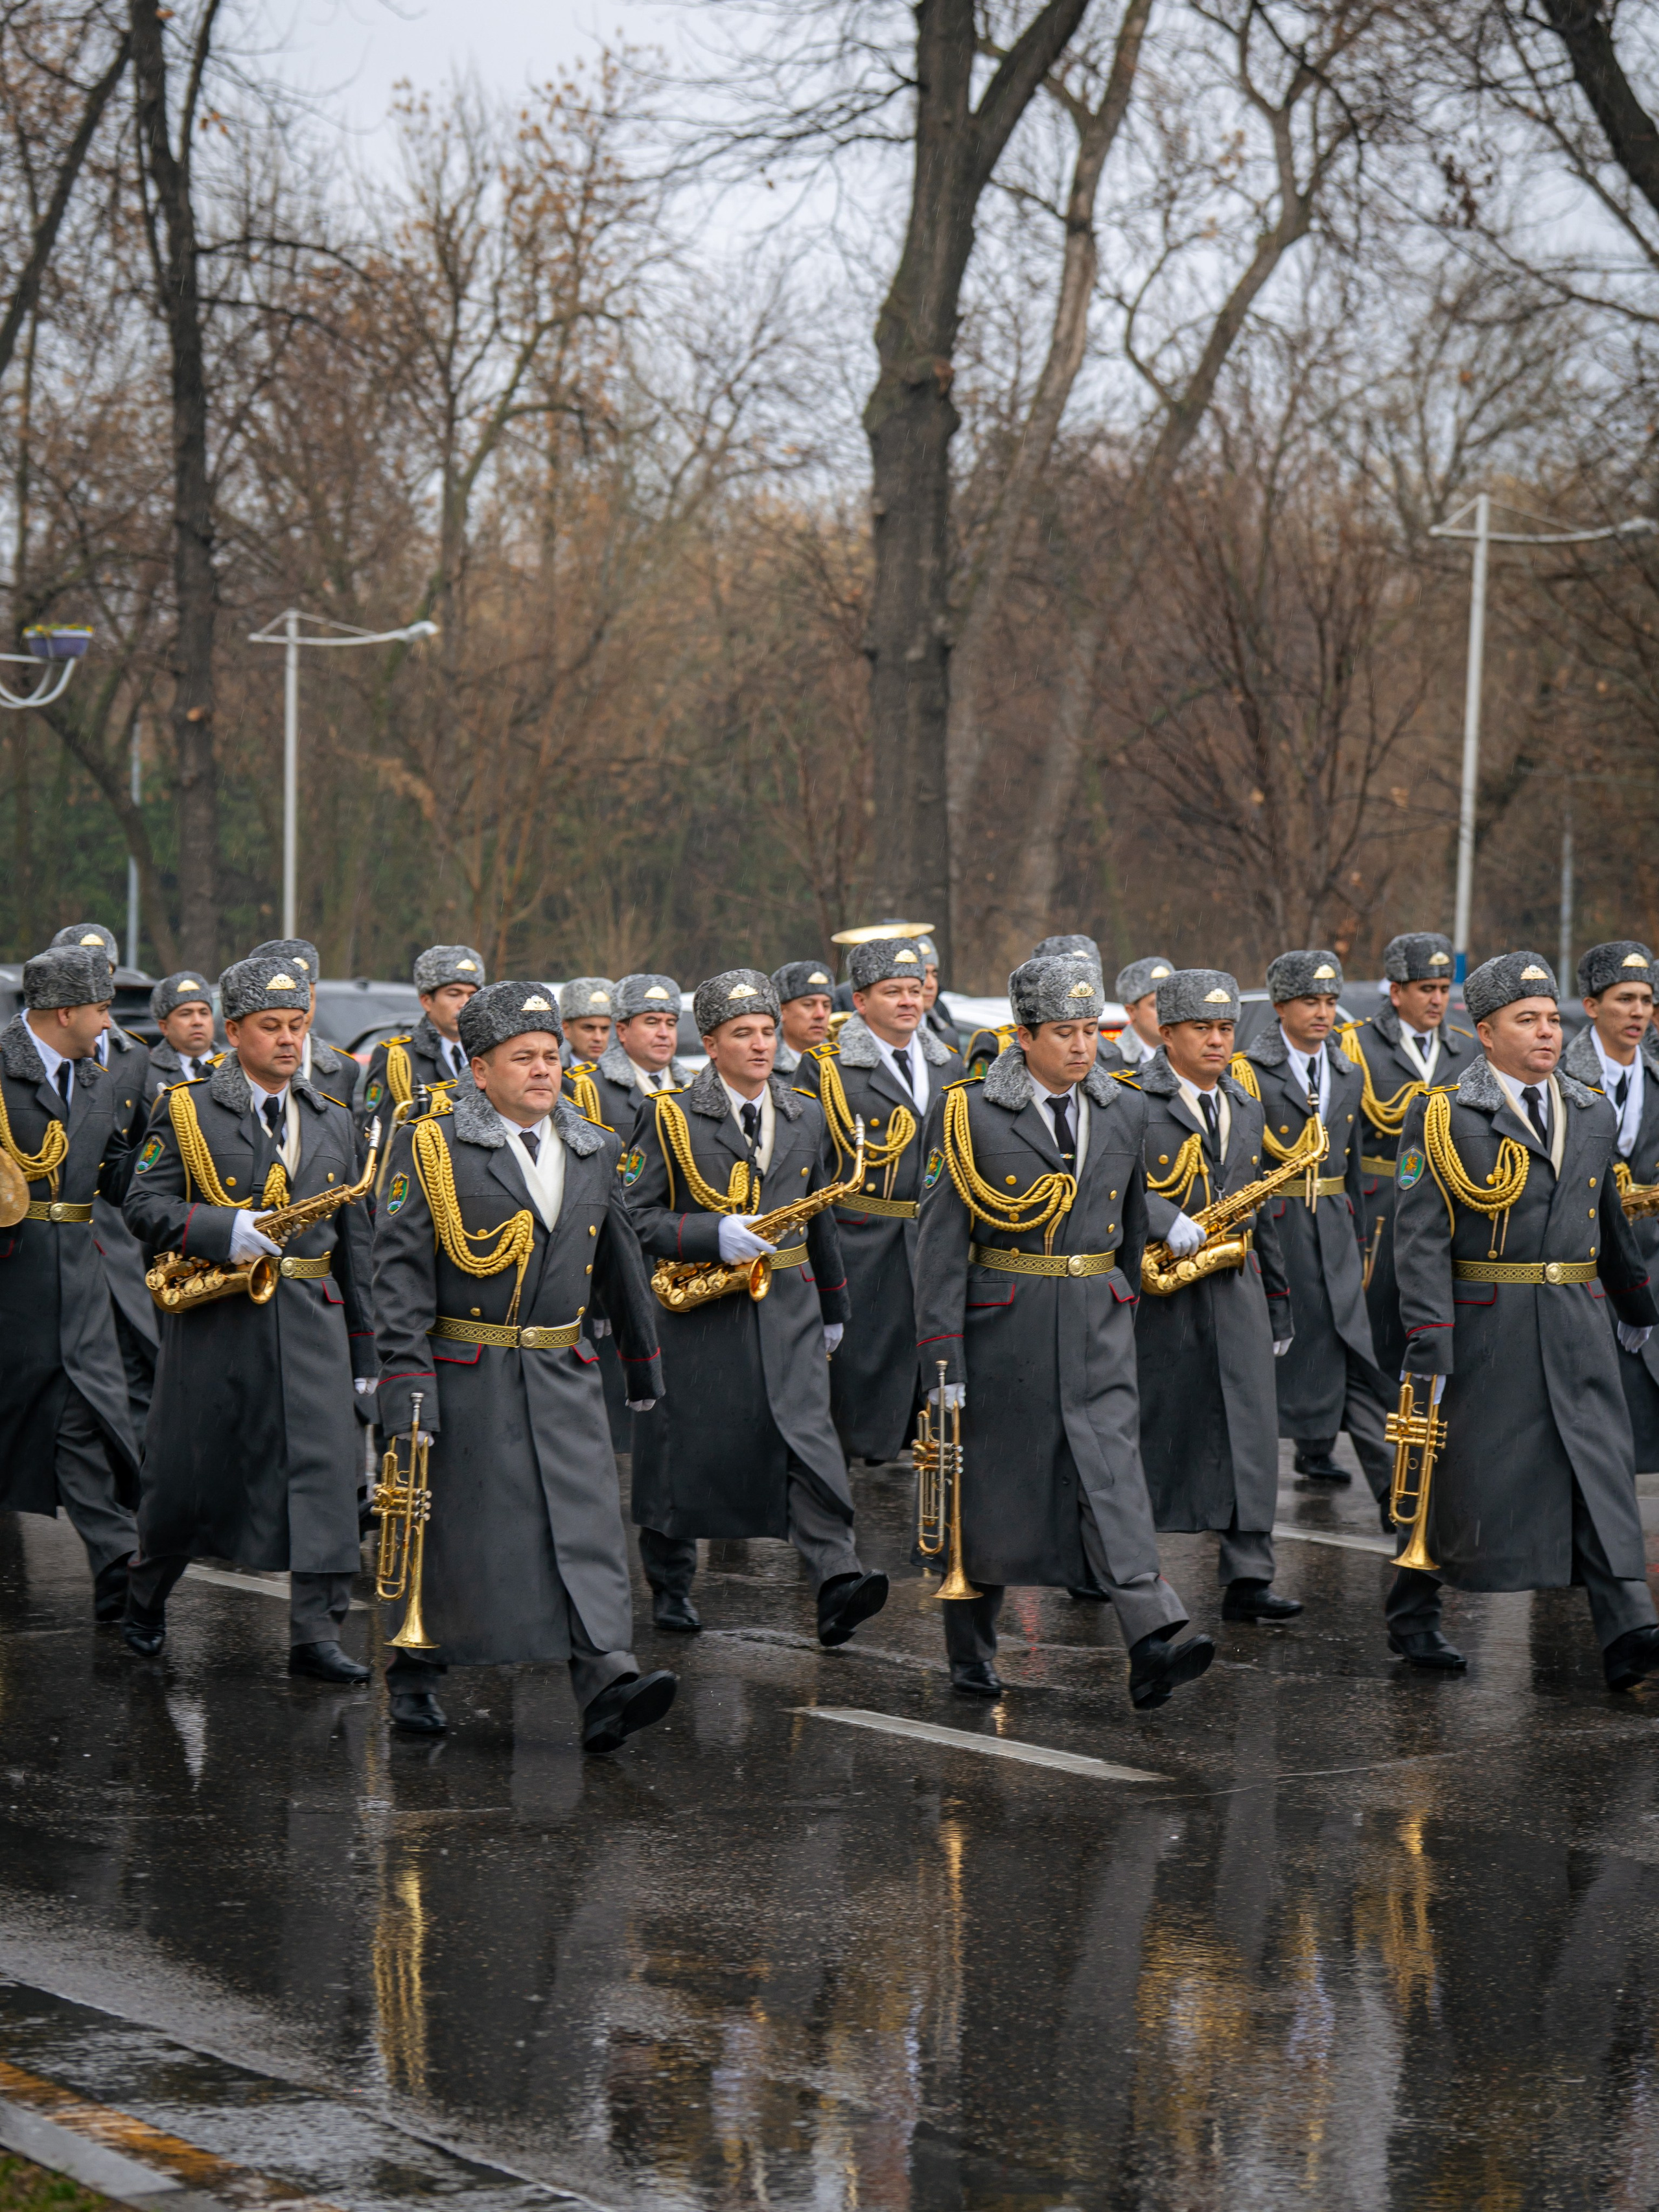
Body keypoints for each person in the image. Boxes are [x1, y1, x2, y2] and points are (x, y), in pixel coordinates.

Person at [371, 981, 677, 1748]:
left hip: (562, 1366)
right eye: (523, 1058)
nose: (544, 1070)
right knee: (459, 1534)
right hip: (466, 1366)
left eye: (551, 1055)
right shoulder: (432, 1143)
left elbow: (618, 1261)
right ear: (480, 1069)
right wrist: (407, 1381)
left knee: (585, 1529)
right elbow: (400, 1270)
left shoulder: (593, 1143)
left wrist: (641, 1364)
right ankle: (416, 1670)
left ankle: (606, 1678)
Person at [911, 955, 1214, 1705]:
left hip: (1095, 1323)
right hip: (1003, 1327)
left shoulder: (1122, 1107)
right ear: (1023, 1035)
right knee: (991, 1493)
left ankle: (1151, 1636)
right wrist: (942, 1364)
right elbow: (939, 1248)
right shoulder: (968, 1111)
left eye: (1089, 1029)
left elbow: (1132, 1217)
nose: (1082, 1047)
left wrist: (1121, 1299)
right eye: (1064, 1032)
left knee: (1113, 1481)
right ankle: (970, 1650)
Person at [1389, 951, 1659, 1686]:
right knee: (1469, 1477)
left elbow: (1606, 1218)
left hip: (1577, 1317)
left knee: (1597, 1468)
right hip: (1488, 1323)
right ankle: (1412, 1609)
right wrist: (1428, 1335)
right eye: (1525, 1020)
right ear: (1484, 1031)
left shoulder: (1589, 1107)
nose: (1546, 1032)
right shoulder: (1445, 1112)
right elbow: (1420, 1236)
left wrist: (1638, 1307)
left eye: (1550, 1019)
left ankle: (1628, 1625)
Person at [121, 955, 378, 1676]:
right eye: (270, 1027)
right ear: (232, 1030)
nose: (289, 1040)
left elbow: (358, 1247)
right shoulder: (186, 1107)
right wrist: (220, 1227)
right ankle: (146, 1594)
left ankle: (315, 1634)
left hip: (314, 1322)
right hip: (218, 1322)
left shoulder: (333, 1118)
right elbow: (141, 1204)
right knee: (189, 1475)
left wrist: (368, 1354)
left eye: (298, 1025)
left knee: (327, 1477)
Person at [625, 968, 887, 1643]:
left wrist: (833, 1305)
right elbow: (635, 1214)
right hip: (703, 1313)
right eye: (742, 1033)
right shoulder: (671, 1116)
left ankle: (836, 1577)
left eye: (768, 1031)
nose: (761, 1044)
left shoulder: (804, 1112)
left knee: (808, 1438)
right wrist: (710, 1232)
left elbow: (821, 1216)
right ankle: (671, 1580)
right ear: (710, 1044)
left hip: (790, 1304)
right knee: (687, 1446)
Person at [1133, 968, 1300, 1621]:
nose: (1215, 1039)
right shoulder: (1130, 1101)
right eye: (1200, 1027)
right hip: (1161, 1288)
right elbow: (1105, 1180)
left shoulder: (1246, 1102)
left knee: (1249, 1429)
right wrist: (1158, 1215)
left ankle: (1249, 1575)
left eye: (1225, 1027)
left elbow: (1263, 1210)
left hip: (1234, 1285)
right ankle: (1123, 1561)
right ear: (1167, 1032)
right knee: (1158, 1422)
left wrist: (1278, 1301)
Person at [0, 946, 139, 1618]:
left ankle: (118, 1562)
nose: (109, 1019)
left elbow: (119, 1178)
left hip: (79, 1277)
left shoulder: (98, 1079)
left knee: (86, 1417)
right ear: (65, 1011)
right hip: (11, 1279)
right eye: (102, 1007)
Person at [1235, 949, 1394, 1513]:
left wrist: (1351, 1232)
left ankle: (1402, 1508)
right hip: (1278, 1230)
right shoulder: (1250, 1072)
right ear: (1280, 1006)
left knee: (1356, 1356)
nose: (1324, 1013)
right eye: (1310, 1001)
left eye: (1330, 1001)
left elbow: (1346, 1166)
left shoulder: (1349, 1072)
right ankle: (1240, 1508)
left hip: (1331, 1231)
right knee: (1272, 1367)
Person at [793, 936, 962, 1465]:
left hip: (931, 1241)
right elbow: (810, 1173)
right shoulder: (827, 1067)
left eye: (915, 989)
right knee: (856, 1387)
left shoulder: (948, 1063)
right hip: (861, 1242)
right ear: (860, 1001)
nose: (910, 1001)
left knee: (932, 1377)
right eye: (893, 992)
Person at [1338, 931, 1478, 1379]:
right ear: (1396, 992)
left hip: (1448, 1207)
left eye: (1442, 988)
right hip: (1380, 1207)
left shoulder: (1464, 1048)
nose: (1437, 999)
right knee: (1378, 1326)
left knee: (1438, 1320)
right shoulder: (1357, 1046)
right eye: (1425, 989)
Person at [49, 924, 157, 1434]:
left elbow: (132, 1153)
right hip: (44, 1232)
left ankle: (126, 1485)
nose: (98, 987)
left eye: (106, 976)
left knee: (132, 1360)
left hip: (113, 1235)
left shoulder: (134, 1054)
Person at [1564, 942, 1659, 1476]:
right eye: (1625, 998)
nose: (1639, 1012)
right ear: (1593, 1005)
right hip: (1585, 1274)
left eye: (1646, 999)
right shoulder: (1560, 1076)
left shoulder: (1656, 1073)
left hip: (1652, 1269)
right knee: (1588, 1426)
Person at [356, 945, 486, 1127]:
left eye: (472, 995)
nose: (465, 1004)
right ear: (426, 1001)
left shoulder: (489, 1054)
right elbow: (379, 1137)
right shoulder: (398, 1058)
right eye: (454, 994)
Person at [575, 972, 689, 1136]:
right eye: (652, 1023)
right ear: (622, 1031)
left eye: (670, 1024)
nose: (664, 1033)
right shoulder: (588, 1088)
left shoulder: (694, 1085)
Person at [246, 938, 353, 1093]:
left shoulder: (344, 1069)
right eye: (289, 1002)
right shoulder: (217, 1069)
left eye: (308, 998)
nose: (303, 1011)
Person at [145, 971, 220, 1103]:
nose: (197, 1021)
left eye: (204, 1013)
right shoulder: (147, 1075)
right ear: (164, 1027)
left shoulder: (234, 1068)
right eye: (186, 1014)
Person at [1098, 955, 1176, 1074]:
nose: (1167, 1011)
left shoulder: (1193, 1055)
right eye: (1155, 1004)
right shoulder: (1111, 1062)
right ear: (1132, 1011)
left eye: (1172, 1002)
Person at [771, 961, 836, 1073]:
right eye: (808, 1005)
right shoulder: (765, 1068)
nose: (821, 1015)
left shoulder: (843, 1064)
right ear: (782, 1011)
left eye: (826, 1006)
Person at [559, 977, 616, 1067]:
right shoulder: (551, 1074)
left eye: (605, 1029)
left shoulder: (627, 1077)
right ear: (566, 1029)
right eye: (589, 1028)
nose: (598, 1038)